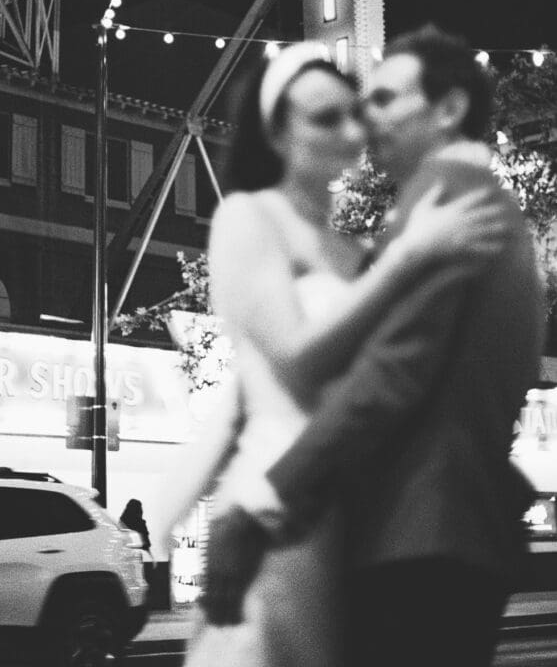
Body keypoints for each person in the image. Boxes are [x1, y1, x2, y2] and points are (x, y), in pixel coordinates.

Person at [154, 37, 511, 667]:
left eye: (354, 113)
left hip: (347, 506)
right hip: (276, 490)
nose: (351, 131)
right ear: (276, 133)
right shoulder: (249, 218)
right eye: (325, 118)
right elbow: (296, 360)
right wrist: (409, 256)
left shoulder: (356, 250)